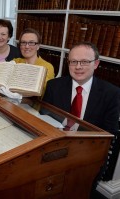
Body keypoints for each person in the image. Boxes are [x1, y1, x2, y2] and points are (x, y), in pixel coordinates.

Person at [43, 42, 120, 198]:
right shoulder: (53, 86)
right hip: (55, 150)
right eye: (73, 61)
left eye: (85, 62)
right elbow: (44, 120)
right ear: (68, 63)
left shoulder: (111, 93)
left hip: (88, 155)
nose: (78, 67)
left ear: (96, 64)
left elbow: (108, 134)